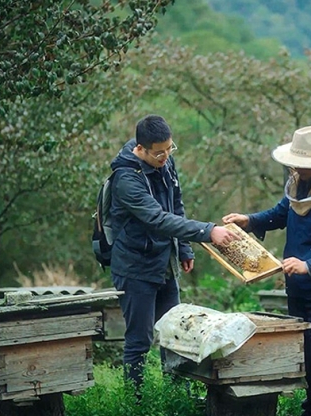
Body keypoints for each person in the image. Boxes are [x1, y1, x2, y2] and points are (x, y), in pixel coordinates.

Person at [223, 125, 311, 416]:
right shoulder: (299, 185)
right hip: (297, 286)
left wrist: (310, 265)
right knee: (306, 355)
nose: (297, 167)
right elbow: (280, 214)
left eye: (304, 163)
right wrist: (249, 220)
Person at [108, 114, 238, 386]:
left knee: (176, 333)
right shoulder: (126, 180)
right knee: (139, 340)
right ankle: (137, 401)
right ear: (140, 149)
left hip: (164, 262)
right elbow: (157, 218)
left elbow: (175, 205)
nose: (165, 156)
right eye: (159, 153)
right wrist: (207, 232)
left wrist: (185, 248)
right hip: (136, 267)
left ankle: (176, 393)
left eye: (170, 149)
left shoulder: (165, 162)